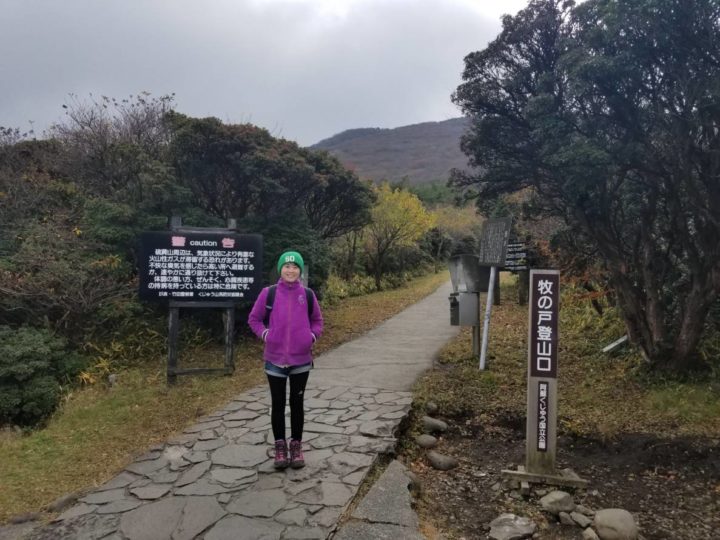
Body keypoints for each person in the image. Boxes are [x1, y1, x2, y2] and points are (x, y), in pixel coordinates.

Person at [248, 250, 323, 469]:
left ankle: (296, 445)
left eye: (295, 266)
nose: (290, 270)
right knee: (278, 404)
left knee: (297, 404)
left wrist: (310, 337)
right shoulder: (268, 293)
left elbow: (318, 321)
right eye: (287, 266)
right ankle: (280, 447)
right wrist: (265, 335)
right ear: (280, 269)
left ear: (300, 270)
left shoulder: (307, 294)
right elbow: (254, 319)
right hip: (274, 360)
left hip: (301, 360)